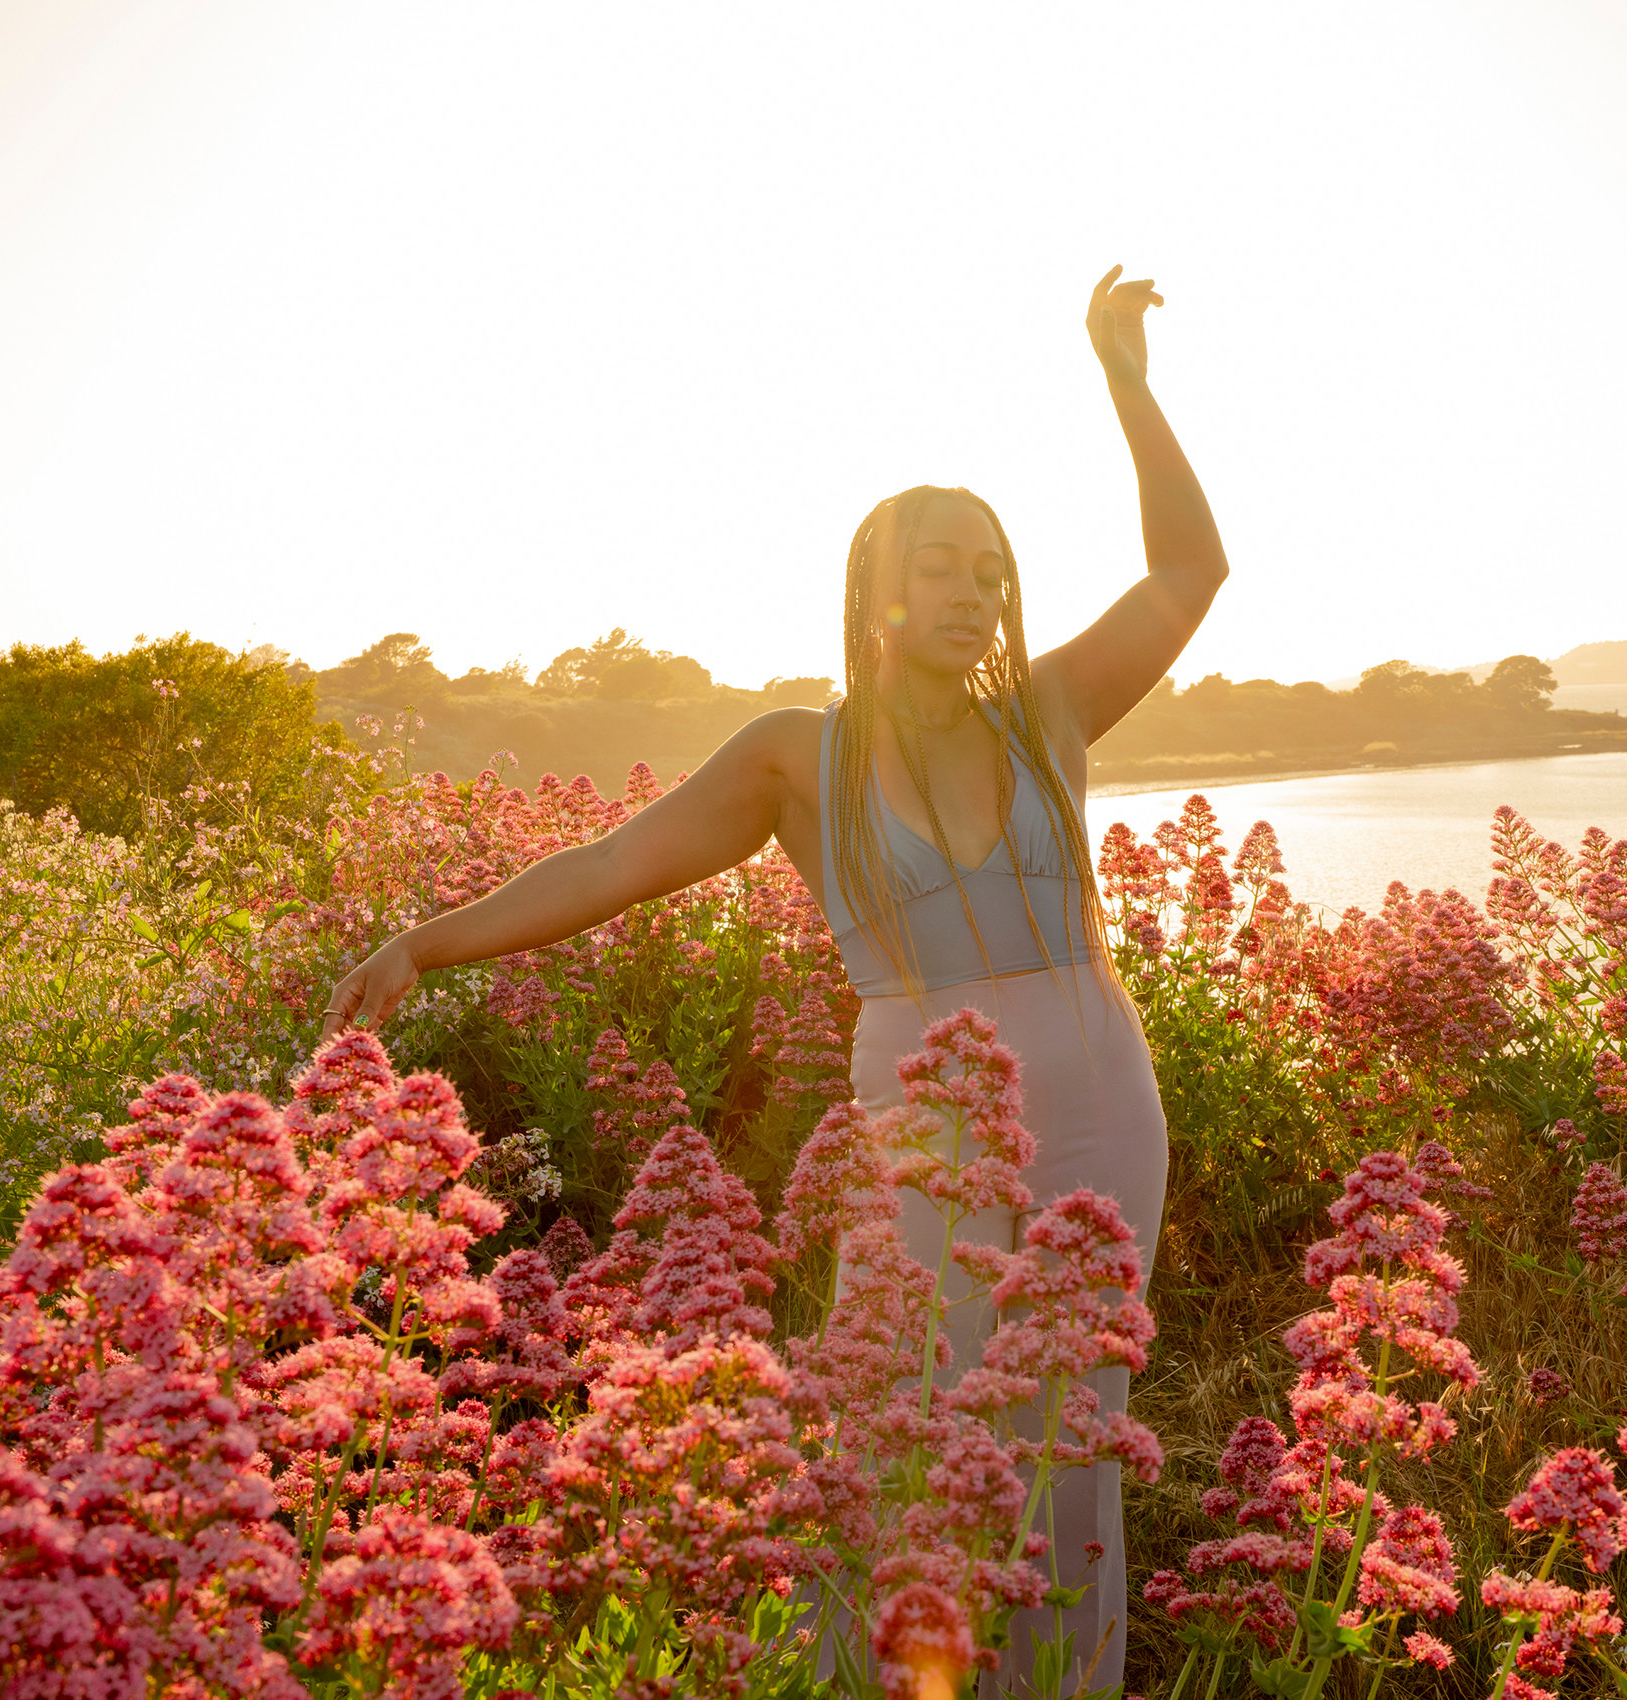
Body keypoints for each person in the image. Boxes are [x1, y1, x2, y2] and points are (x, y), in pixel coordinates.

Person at [320, 264, 1227, 1691]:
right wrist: (427, 939)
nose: (974, 596)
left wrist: (1126, 384)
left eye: (993, 573)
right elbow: (613, 863)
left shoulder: (1051, 709)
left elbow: (1189, 574)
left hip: (1102, 1098)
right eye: (945, 569)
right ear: (879, 585)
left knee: (1071, 1429)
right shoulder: (798, 754)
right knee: (922, 1410)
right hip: (927, 1113)